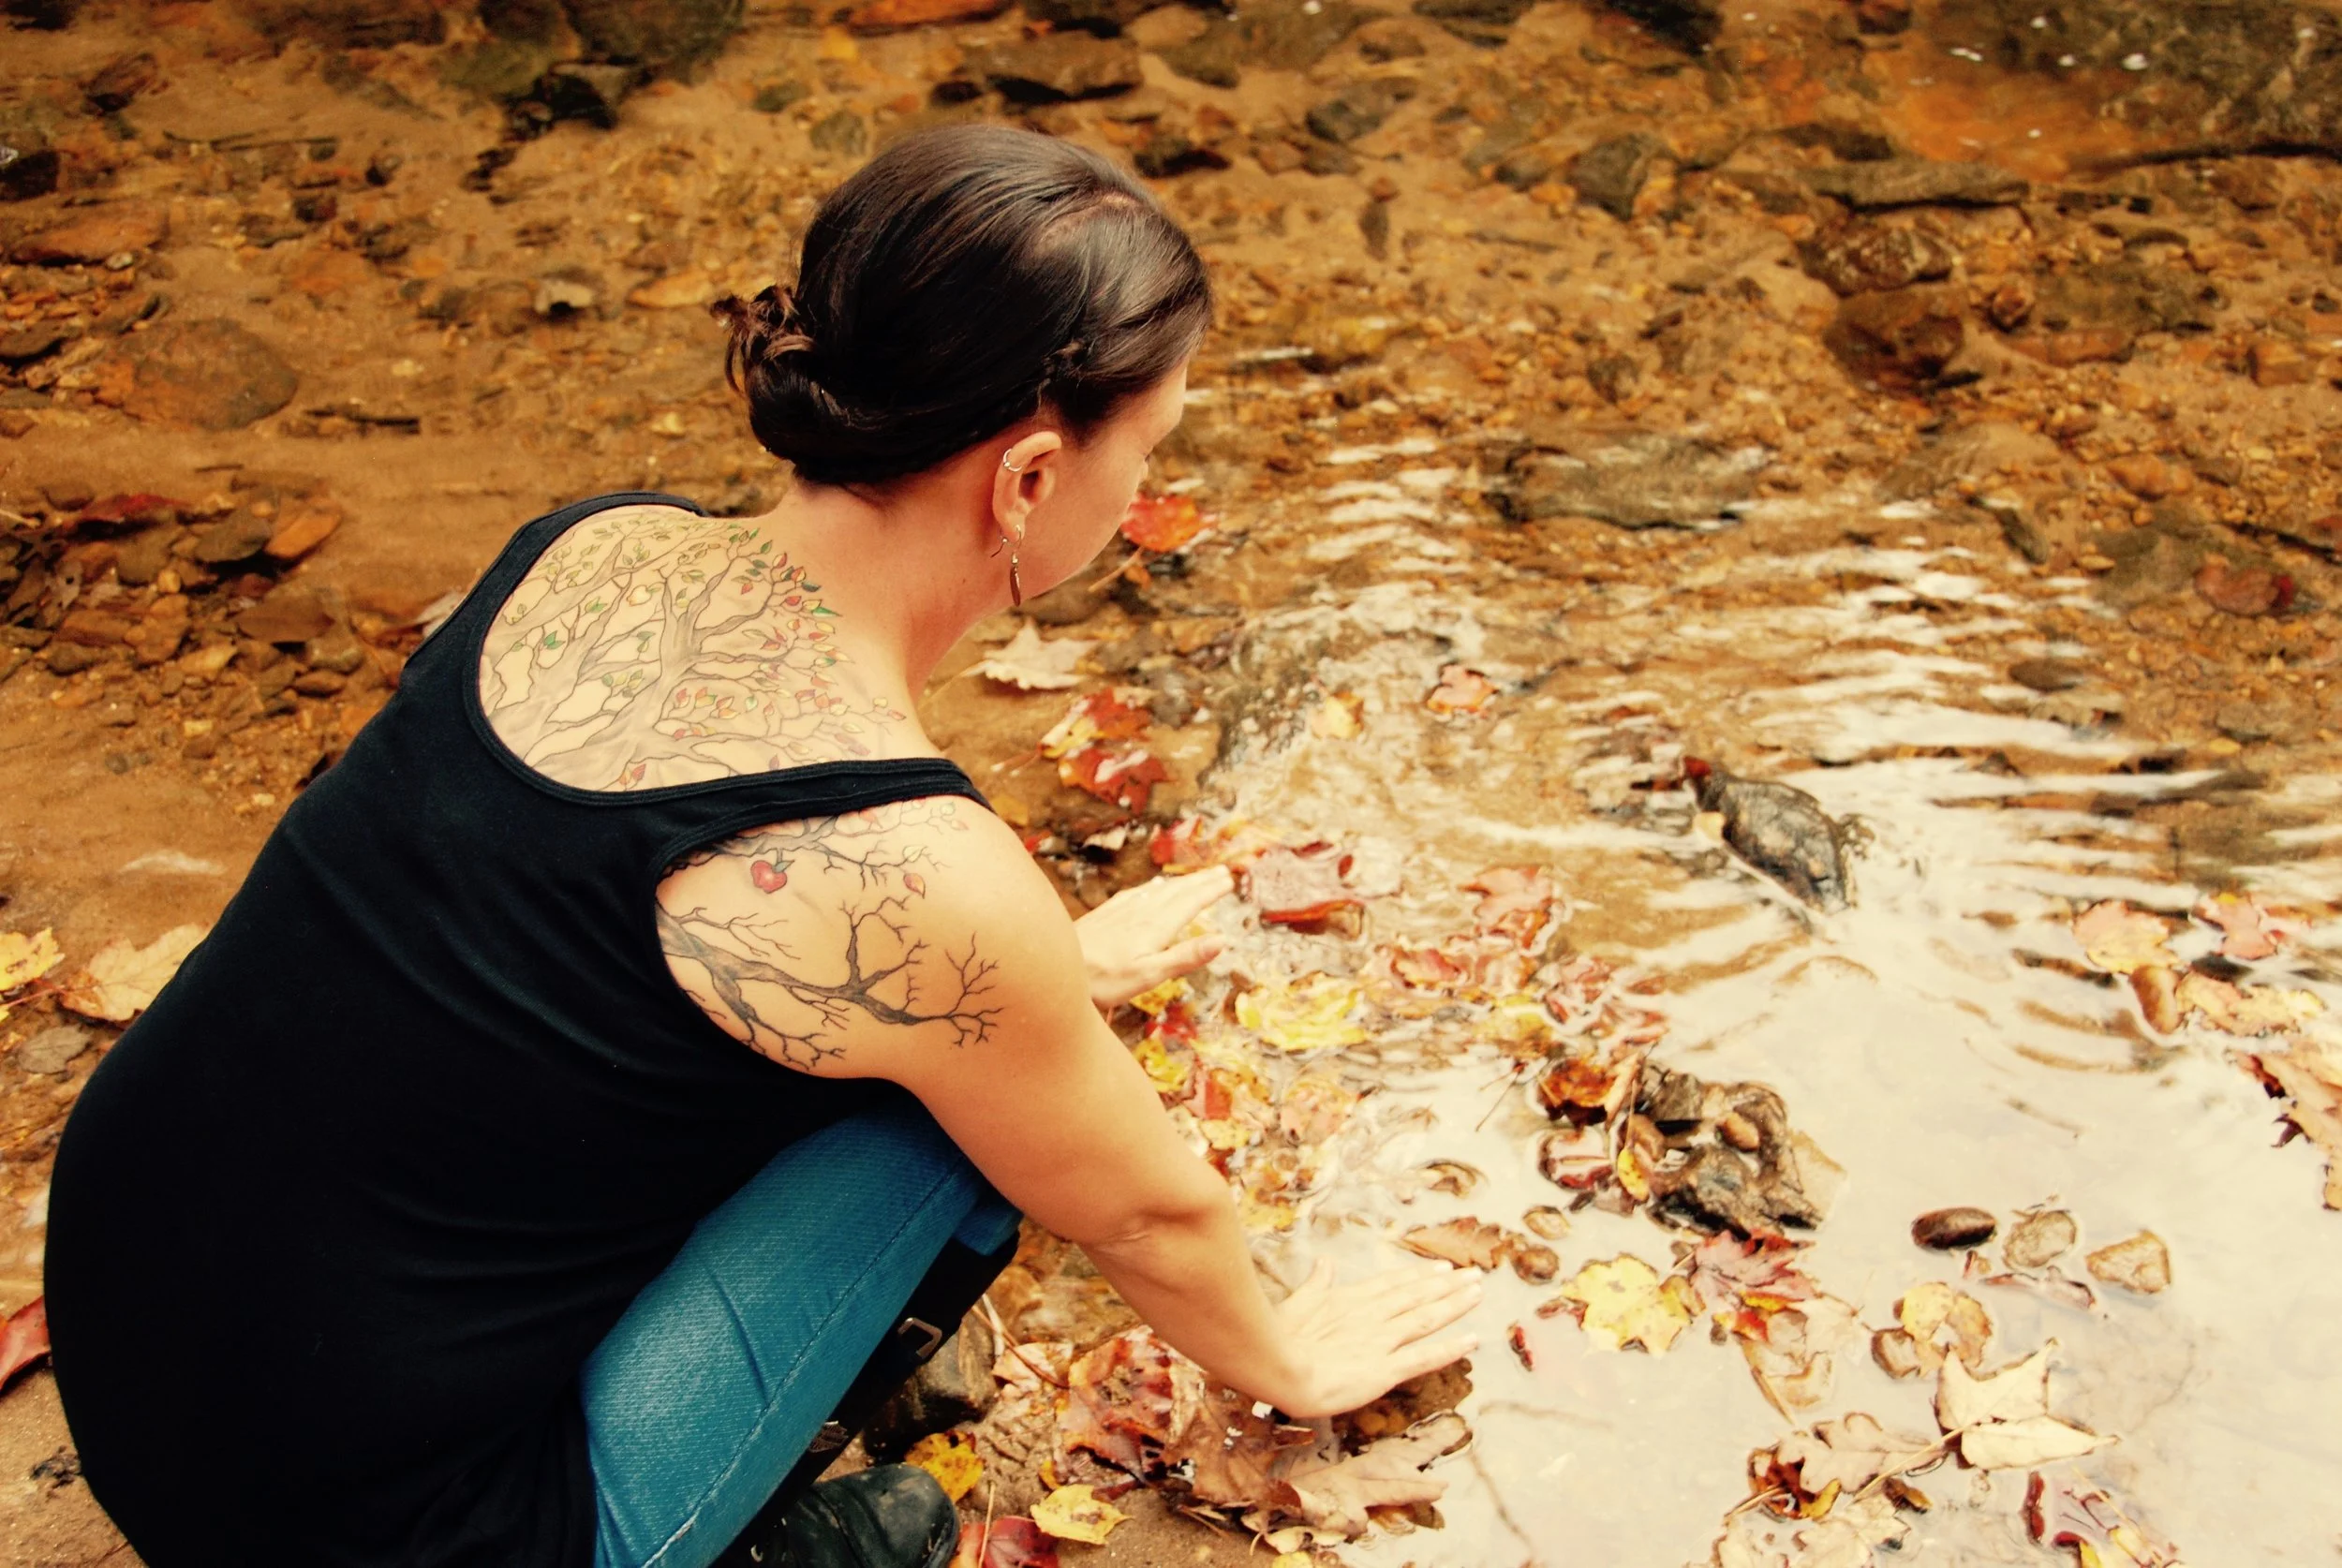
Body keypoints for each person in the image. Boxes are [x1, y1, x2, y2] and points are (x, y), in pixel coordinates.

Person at [43, 123, 1480, 1568]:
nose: (1149, 491)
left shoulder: (591, 548)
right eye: (1153, 448)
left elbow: (551, 950)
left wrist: (1045, 970)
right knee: (972, 1133)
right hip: (398, 1537)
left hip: (130, 1340)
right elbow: (1157, 1211)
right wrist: (1289, 1365)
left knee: (936, 1044)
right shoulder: (922, 878)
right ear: (1031, 476)